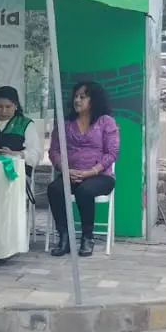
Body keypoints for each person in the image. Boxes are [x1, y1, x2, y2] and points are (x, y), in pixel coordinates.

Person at [47, 81, 120, 259]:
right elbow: (54, 151)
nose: (77, 100)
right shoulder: (65, 124)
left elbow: (112, 153)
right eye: (76, 96)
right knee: (54, 189)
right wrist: (65, 170)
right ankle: (64, 237)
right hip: (71, 173)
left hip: (100, 175)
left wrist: (91, 172)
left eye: (83, 97)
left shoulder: (106, 122)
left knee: (84, 191)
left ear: (94, 100)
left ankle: (87, 238)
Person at [0, 85, 31, 156]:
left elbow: (35, 153)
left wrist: (14, 154)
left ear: (16, 106)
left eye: (8, 107)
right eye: (0, 106)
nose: (4, 111)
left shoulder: (25, 124)